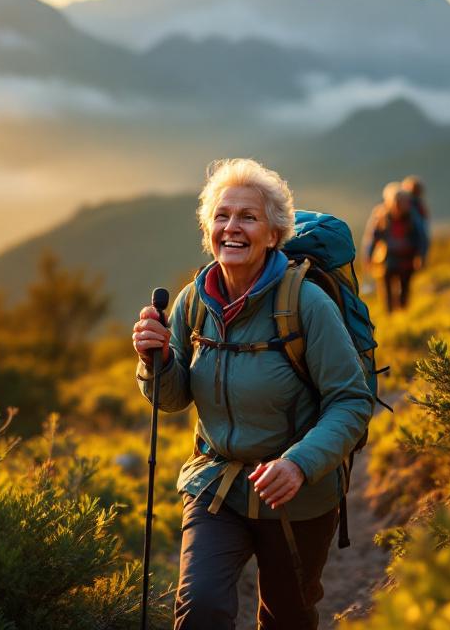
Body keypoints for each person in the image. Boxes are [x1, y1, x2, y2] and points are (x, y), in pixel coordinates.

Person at [130, 158, 373, 629]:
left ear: (273, 233)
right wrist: (154, 362)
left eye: (248, 217)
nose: (232, 228)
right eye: (221, 217)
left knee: (287, 617)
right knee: (200, 609)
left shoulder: (306, 303)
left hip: (296, 495)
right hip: (216, 485)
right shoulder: (192, 301)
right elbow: (175, 398)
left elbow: (351, 400)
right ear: (208, 230)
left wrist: (298, 464)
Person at [362, 183, 428, 314]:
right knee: (386, 290)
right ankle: (390, 314)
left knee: (405, 289)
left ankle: (403, 314)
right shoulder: (381, 216)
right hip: (387, 259)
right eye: (398, 202)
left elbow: (422, 238)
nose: (401, 205)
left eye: (403, 202)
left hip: (407, 259)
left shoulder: (412, 217)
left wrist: (421, 255)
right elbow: (372, 238)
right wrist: (368, 257)